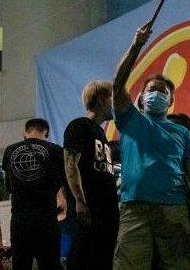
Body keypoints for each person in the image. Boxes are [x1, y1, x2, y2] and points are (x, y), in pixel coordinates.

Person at [110, 26, 190, 270]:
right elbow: (118, 84)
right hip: (134, 208)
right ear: (141, 98)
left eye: (162, 91)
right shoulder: (130, 120)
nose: (156, 93)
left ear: (171, 101)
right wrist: (135, 46)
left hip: (173, 208)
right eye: (151, 90)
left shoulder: (182, 133)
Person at [63, 81, 118, 270]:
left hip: (106, 213)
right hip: (89, 210)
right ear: (103, 99)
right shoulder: (79, 126)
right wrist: (80, 201)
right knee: (83, 258)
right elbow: (70, 163)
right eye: (112, 98)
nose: (115, 103)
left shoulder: (101, 133)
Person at [1, 118, 65, 270]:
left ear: (25, 133)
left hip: (20, 219)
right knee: (50, 265)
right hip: (46, 219)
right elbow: (60, 182)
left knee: (21, 265)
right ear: (46, 133)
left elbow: (8, 186)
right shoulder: (56, 150)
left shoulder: (10, 151)